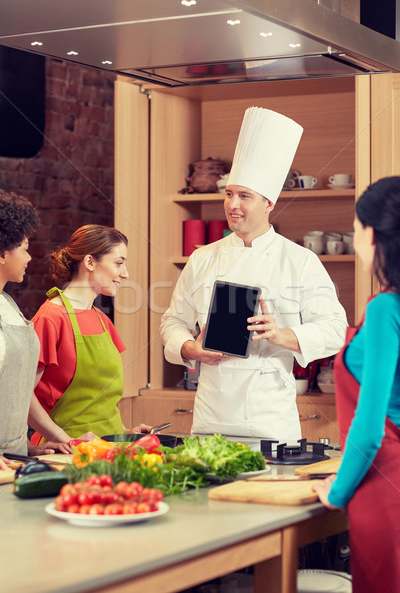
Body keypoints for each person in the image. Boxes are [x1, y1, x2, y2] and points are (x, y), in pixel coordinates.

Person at [160, 107, 347, 442]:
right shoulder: (202, 259)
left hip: (272, 421)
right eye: (229, 194)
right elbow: (172, 321)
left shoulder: (300, 261)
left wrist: (280, 334)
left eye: (245, 196)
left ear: (268, 203)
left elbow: (335, 330)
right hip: (211, 419)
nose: (233, 204)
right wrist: (191, 348)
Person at [313, 176, 400, 593]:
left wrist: (337, 490)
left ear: (371, 234)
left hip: (383, 487)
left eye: (355, 229)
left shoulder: (386, 309)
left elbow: (368, 430)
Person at [30, 224, 150, 443]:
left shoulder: (102, 320)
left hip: (110, 447)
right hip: (67, 454)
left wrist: (125, 431)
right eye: (119, 263)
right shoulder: (50, 318)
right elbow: (23, 397)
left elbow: (98, 401)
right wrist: (67, 441)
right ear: (90, 262)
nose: (125, 274)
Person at [0, 189, 70, 470]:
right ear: (2, 253)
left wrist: (30, 448)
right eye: (24, 248)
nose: (30, 257)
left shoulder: (8, 304)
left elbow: (13, 389)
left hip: (14, 461)